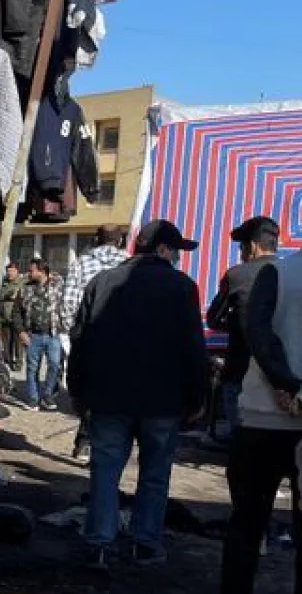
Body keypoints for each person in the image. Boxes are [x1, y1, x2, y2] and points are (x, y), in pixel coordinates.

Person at [68, 220, 209, 571]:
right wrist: (198, 397)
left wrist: (78, 391)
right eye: (175, 250)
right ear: (162, 249)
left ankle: (99, 543)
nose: (177, 257)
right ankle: (145, 543)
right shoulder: (182, 288)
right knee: (155, 473)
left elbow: (80, 340)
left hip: (109, 397)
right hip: (162, 400)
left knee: (105, 471)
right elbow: (193, 347)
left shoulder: (102, 283)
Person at [206, 246, 302, 594]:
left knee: (248, 521)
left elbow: (257, 332)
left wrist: (287, 383)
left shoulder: (277, 273)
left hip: (265, 415)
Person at [205, 216, 280, 442]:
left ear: (253, 246)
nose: (241, 253)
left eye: (242, 247)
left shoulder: (237, 274)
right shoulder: (288, 272)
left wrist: (237, 322)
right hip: (282, 371)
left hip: (241, 368)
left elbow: (213, 319)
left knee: (242, 437)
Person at [63, 225, 131, 460]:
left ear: (95, 239)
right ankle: (111, 447)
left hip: (89, 339)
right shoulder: (130, 264)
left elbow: (69, 304)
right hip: (124, 343)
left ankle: (85, 442)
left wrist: (75, 333)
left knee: (88, 392)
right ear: (120, 241)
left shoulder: (81, 263)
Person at [13, 258, 65, 409]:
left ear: (41, 271)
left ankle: (48, 395)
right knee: (32, 368)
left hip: (53, 334)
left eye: (31, 270)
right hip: (32, 335)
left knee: (55, 365)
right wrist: (21, 331)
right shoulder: (26, 288)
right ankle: (33, 399)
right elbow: (16, 312)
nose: (29, 273)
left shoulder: (57, 285)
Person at [0, 263, 25, 369]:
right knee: (6, 341)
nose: (10, 273)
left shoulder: (22, 282)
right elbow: (0, 296)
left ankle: (18, 363)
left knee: (18, 342)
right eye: (8, 270)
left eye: (12, 270)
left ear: (17, 271)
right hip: (5, 317)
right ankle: (8, 361)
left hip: (17, 318)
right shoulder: (4, 282)